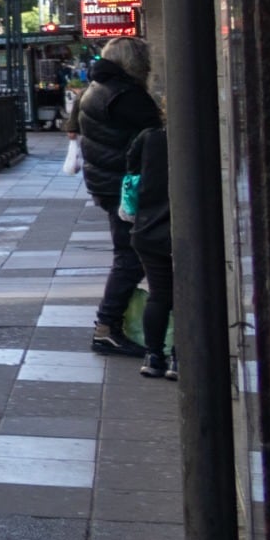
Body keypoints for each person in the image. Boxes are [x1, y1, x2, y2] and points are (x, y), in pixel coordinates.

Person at [75, 36, 162, 357]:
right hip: (127, 186)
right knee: (132, 258)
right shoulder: (126, 94)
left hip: (110, 184)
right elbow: (156, 136)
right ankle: (107, 327)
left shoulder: (97, 89)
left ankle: (110, 325)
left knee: (130, 255)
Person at [126, 124, 174, 379]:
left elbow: (131, 171)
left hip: (149, 228)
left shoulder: (149, 137)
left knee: (159, 295)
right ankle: (180, 356)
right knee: (191, 294)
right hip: (185, 231)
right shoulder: (199, 136)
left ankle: (153, 356)